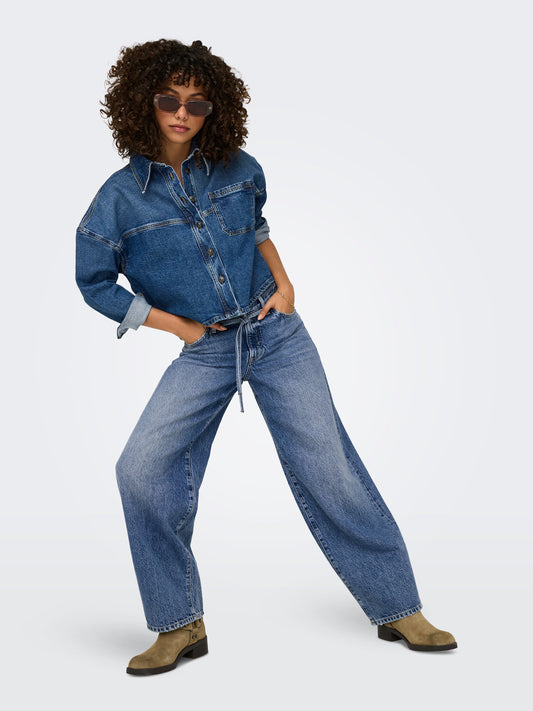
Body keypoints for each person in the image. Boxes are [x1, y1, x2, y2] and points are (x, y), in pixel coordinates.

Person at [75, 38, 457, 676]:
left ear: (214, 110)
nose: (182, 113)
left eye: (197, 103)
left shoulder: (239, 167)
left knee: (329, 467)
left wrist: (284, 286)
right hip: (205, 350)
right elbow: (94, 284)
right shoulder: (118, 199)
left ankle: (399, 607)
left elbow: (256, 231)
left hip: (276, 335)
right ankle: (178, 623)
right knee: (139, 469)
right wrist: (177, 328)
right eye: (169, 99)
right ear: (143, 102)